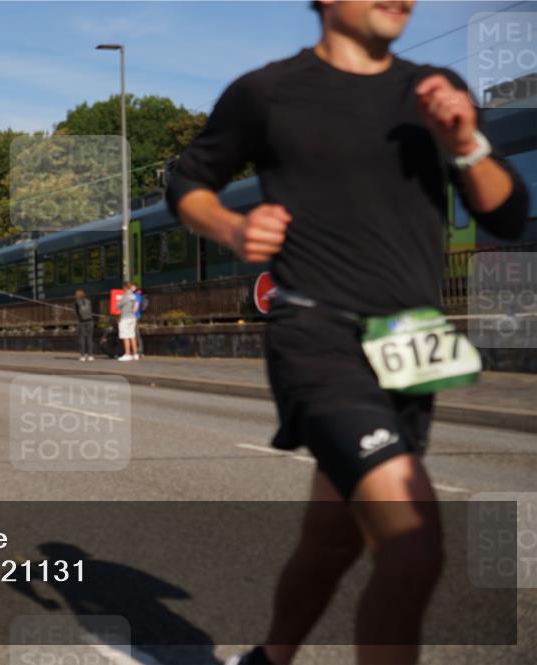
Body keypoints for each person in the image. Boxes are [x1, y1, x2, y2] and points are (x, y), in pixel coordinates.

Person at [166, 3, 529, 664]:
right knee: (414, 540)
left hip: (412, 343)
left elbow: (506, 214)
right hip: (319, 337)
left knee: (332, 539)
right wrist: (233, 229)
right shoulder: (267, 92)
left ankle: (268, 658)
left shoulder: (434, 87)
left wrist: (467, 142)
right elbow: (187, 181)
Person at [116, 282, 139, 361]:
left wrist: (118, 301)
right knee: (132, 336)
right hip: (132, 317)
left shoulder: (125, 296)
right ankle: (135, 354)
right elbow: (135, 306)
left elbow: (118, 306)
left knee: (125, 336)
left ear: (125, 288)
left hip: (125, 318)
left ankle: (127, 354)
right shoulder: (133, 296)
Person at [74, 289, 95, 362]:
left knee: (82, 339)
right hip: (90, 321)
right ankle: (90, 356)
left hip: (82, 322)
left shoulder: (76, 302)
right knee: (90, 338)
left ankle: (82, 356)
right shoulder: (88, 301)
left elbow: (76, 313)